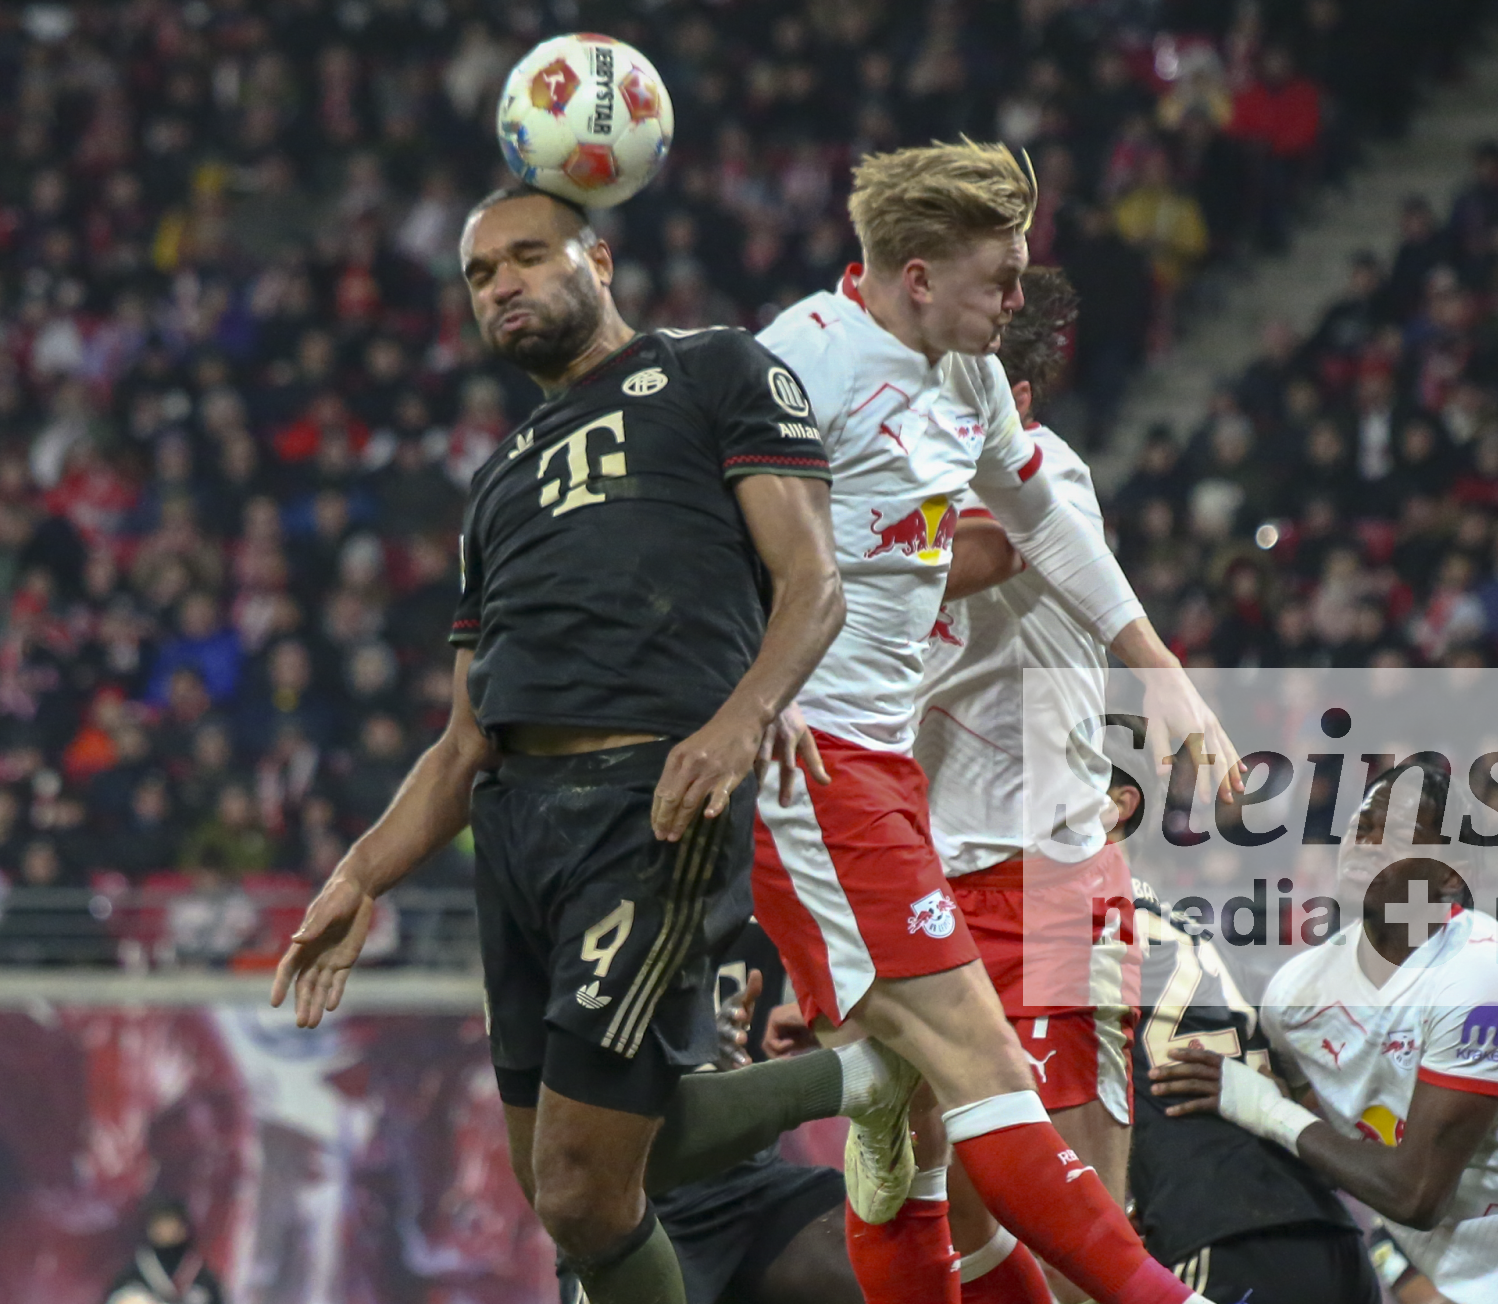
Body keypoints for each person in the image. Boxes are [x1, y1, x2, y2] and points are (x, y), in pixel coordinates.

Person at [271, 186, 918, 1304]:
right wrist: (358, 875)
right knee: (570, 1188)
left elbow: (815, 585)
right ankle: (865, 1076)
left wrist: (739, 721)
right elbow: (461, 742)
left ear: (599, 259)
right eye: (481, 274)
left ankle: (869, 1075)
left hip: (647, 801)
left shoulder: (715, 370)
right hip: (516, 832)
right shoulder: (494, 484)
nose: (502, 285)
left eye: (527, 256)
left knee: (581, 1187)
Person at [753, 140, 1234, 1304]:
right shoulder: (796, 363)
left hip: (1046, 868)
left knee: (1039, 1200)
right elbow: (943, 550)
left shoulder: (1012, 434)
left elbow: (1023, 528)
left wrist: (1159, 668)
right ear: (918, 278)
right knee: (947, 1173)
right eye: (998, 280)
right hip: (877, 818)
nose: (1013, 302)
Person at [1151, 778, 1498, 1304]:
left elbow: (1416, 1194)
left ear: (1451, 873)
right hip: (1484, 1286)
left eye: (1395, 834)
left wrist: (1262, 1107)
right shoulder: (1297, 993)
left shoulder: (1486, 972)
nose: (1367, 842)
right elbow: (1318, 1146)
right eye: (1361, 826)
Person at [908, 267, 1137, 1303]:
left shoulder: (1052, 474)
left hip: (1050, 884)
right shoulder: (898, 490)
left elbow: (991, 549)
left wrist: (820, 549)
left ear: (1016, 399)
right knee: (956, 1226)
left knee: (1078, 1240)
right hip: (931, 893)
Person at [1115, 765, 1378, 1303]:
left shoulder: (1080, 934)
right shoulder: (1216, 949)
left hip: (1221, 1236)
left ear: (1117, 806)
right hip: (1332, 1237)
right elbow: (1321, 1104)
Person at [558, 916, 861, 1304]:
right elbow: (561, 1089)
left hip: (754, 1182)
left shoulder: (761, 883)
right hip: (627, 1201)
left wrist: (828, 1015)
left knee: (885, 1261)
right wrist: (683, 1046)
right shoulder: (586, 901)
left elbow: (893, 953)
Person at [103, 1198, 224, 1304]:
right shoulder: (132, 1275)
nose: (165, 1229)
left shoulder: (202, 1276)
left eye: (171, 1222)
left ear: (184, 1228)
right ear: (150, 1229)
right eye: (159, 1224)